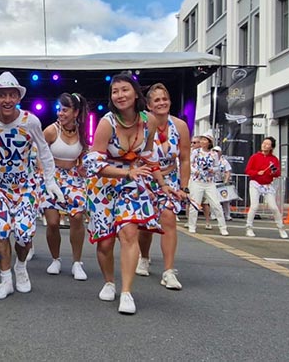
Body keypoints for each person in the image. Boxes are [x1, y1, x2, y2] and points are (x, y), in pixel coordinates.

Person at [83, 73, 169, 314]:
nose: (119, 95)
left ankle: (127, 292)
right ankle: (109, 281)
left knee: (129, 231)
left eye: (124, 90)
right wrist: (125, 173)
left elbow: (149, 157)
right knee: (106, 242)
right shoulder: (106, 123)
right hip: (104, 184)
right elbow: (93, 164)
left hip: (134, 182)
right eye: (115, 91)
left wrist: (163, 185)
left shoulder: (149, 120)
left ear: (135, 93)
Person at [0, 72, 64, 299]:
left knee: (24, 235)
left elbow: (44, 151)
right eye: (2, 95)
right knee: (1, 231)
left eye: (11, 95)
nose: (7, 99)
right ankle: (6, 280)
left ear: (18, 98)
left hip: (26, 187)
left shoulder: (30, 121)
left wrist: (49, 181)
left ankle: (21, 267)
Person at [136, 83, 191, 290]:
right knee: (146, 225)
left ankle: (168, 271)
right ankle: (144, 256)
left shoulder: (180, 126)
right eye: (157, 100)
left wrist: (184, 187)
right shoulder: (142, 125)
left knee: (168, 217)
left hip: (170, 179)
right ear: (149, 105)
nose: (162, 103)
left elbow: (185, 158)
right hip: (145, 177)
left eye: (165, 98)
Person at [42, 92, 89, 281]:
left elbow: (83, 154)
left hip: (74, 178)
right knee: (52, 222)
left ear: (75, 112)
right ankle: (55, 259)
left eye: (65, 110)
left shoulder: (82, 131)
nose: (60, 113)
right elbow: (38, 154)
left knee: (77, 216)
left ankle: (77, 262)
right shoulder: (51, 130)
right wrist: (45, 177)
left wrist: (84, 164)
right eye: (59, 109)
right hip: (52, 176)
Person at [244, 136, 288, 239]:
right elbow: (248, 170)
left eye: (267, 144)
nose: (264, 145)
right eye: (264, 143)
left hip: (267, 185)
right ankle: (249, 227)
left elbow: (277, 173)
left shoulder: (274, 159)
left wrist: (273, 172)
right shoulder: (255, 157)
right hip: (255, 184)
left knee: (274, 207)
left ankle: (281, 227)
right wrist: (256, 173)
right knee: (254, 206)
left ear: (271, 147)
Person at [187, 134, 229, 236]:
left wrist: (212, 170)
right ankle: (192, 226)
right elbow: (189, 163)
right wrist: (194, 171)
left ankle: (223, 227)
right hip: (197, 181)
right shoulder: (195, 152)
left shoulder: (213, 154)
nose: (202, 141)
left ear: (209, 142)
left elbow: (217, 166)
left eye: (205, 140)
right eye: (201, 140)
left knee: (216, 205)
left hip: (209, 182)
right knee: (195, 204)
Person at [213, 146, 233, 222]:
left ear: (220, 152)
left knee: (225, 200)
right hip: (213, 182)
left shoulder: (224, 161)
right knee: (214, 200)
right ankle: (214, 214)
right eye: (214, 150)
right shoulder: (211, 159)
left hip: (222, 183)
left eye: (217, 151)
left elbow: (228, 171)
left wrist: (226, 181)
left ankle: (227, 215)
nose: (215, 152)